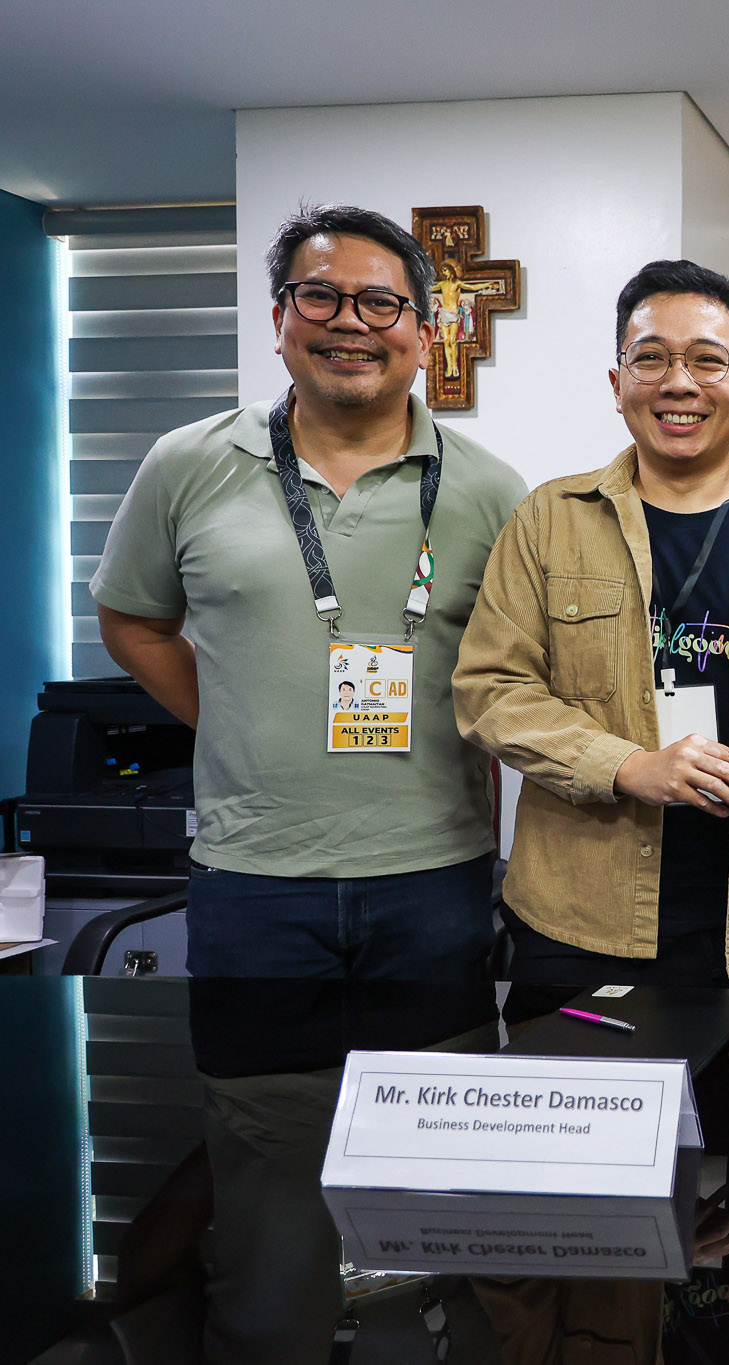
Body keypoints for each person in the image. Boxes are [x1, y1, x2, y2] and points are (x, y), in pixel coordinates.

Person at [92, 204, 527, 979]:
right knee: (252, 1064)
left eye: (381, 303)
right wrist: (228, 717)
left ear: (424, 336)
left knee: (434, 1061)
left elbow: (518, 669)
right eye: (320, 296)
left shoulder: (494, 490)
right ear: (279, 319)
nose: (349, 322)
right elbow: (132, 622)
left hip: (435, 873)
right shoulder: (185, 464)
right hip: (250, 874)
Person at [454, 259, 729, 987]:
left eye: (708, 360)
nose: (679, 383)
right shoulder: (548, 522)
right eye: (651, 359)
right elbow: (491, 690)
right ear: (617, 385)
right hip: (581, 917)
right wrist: (629, 766)